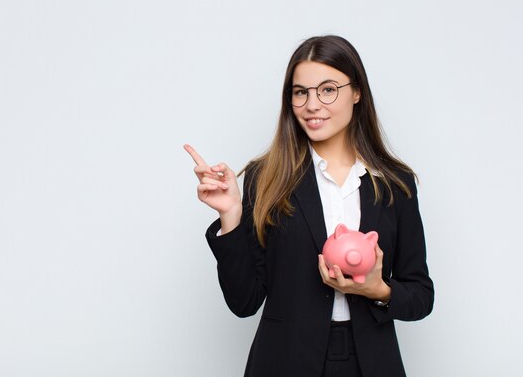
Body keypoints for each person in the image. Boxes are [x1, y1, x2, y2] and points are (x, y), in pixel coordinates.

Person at [184, 35, 433, 377]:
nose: (311, 105)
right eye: (300, 92)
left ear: (357, 92)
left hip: (371, 362)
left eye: (327, 89)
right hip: (284, 361)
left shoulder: (395, 183)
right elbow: (244, 302)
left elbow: (421, 296)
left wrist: (377, 289)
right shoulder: (266, 176)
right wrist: (231, 215)